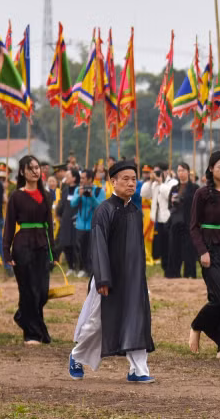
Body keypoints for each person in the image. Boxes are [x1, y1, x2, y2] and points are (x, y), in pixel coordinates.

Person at [68, 160, 155, 383]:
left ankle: (139, 370)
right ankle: (77, 356)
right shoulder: (104, 210)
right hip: (107, 278)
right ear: (112, 182)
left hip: (132, 279)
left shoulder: (135, 212)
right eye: (125, 179)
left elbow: (137, 250)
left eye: (133, 179)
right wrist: (103, 278)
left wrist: (140, 279)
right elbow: (98, 245)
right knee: (98, 322)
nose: (130, 183)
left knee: (137, 320)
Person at [188, 150, 220, 360]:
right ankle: (197, 325)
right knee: (219, 297)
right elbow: (193, 227)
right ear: (211, 169)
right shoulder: (202, 194)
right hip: (211, 249)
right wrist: (203, 251)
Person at [4, 155, 54, 345]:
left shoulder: (46, 196)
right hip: (22, 245)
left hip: (41, 244)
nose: (35, 171)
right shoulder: (16, 196)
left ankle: (22, 315)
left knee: (41, 291)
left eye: (37, 167)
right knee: (28, 290)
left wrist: (53, 250)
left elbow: (50, 225)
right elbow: (9, 225)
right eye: (31, 168)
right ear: (22, 172)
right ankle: (32, 334)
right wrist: (6, 251)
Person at [71, 169, 106, 277]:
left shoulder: (99, 191)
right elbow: (73, 204)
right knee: (80, 248)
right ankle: (82, 268)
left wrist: (92, 197)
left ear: (90, 179)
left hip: (93, 225)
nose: (80, 180)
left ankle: (91, 270)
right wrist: (79, 196)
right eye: (80, 178)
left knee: (92, 249)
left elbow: (100, 207)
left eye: (83, 178)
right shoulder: (78, 189)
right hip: (80, 225)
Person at [166, 163, 199, 279]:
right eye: (179, 170)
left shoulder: (195, 188)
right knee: (174, 249)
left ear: (188, 172)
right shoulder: (174, 188)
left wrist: (184, 200)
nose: (181, 173)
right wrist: (174, 203)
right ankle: (173, 273)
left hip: (189, 222)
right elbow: (169, 205)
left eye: (183, 170)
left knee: (189, 250)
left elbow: (197, 205)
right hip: (175, 222)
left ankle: (189, 274)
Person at [140, 164, 176, 269]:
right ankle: (165, 267)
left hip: (168, 218)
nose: (156, 175)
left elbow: (170, 196)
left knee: (170, 244)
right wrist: (151, 181)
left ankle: (171, 266)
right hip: (158, 219)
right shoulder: (154, 184)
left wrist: (161, 183)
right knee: (162, 244)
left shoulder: (172, 183)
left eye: (158, 173)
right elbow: (144, 193)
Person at [58, 169, 80, 275]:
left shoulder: (79, 189)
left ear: (74, 178)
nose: (65, 178)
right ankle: (70, 266)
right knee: (65, 242)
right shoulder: (65, 190)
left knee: (75, 243)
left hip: (76, 219)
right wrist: (58, 214)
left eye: (68, 176)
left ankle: (78, 266)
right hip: (66, 219)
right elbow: (62, 204)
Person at [138, 166, 155, 266]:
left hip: (149, 212)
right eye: (144, 172)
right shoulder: (140, 183)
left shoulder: (153, 185)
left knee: (148, 235)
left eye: (147, 172)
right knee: (143, 235)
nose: (145, 174)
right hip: (142, 211)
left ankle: (148, 256)